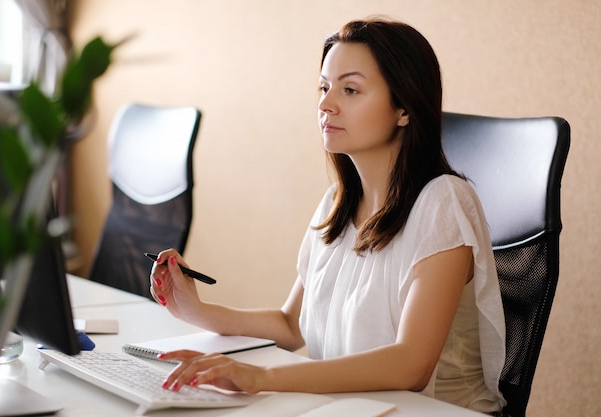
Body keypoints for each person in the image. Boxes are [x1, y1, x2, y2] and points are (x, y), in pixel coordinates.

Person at [149, 18, 507, 414]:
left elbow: (411, 366)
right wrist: (197, 311)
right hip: (349, 407)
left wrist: (261, 378)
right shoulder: (338, 202)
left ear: (404, 108)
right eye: (324, 87)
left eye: (350, 89)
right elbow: (291, 325)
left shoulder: (444, 202)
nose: (325, 104)